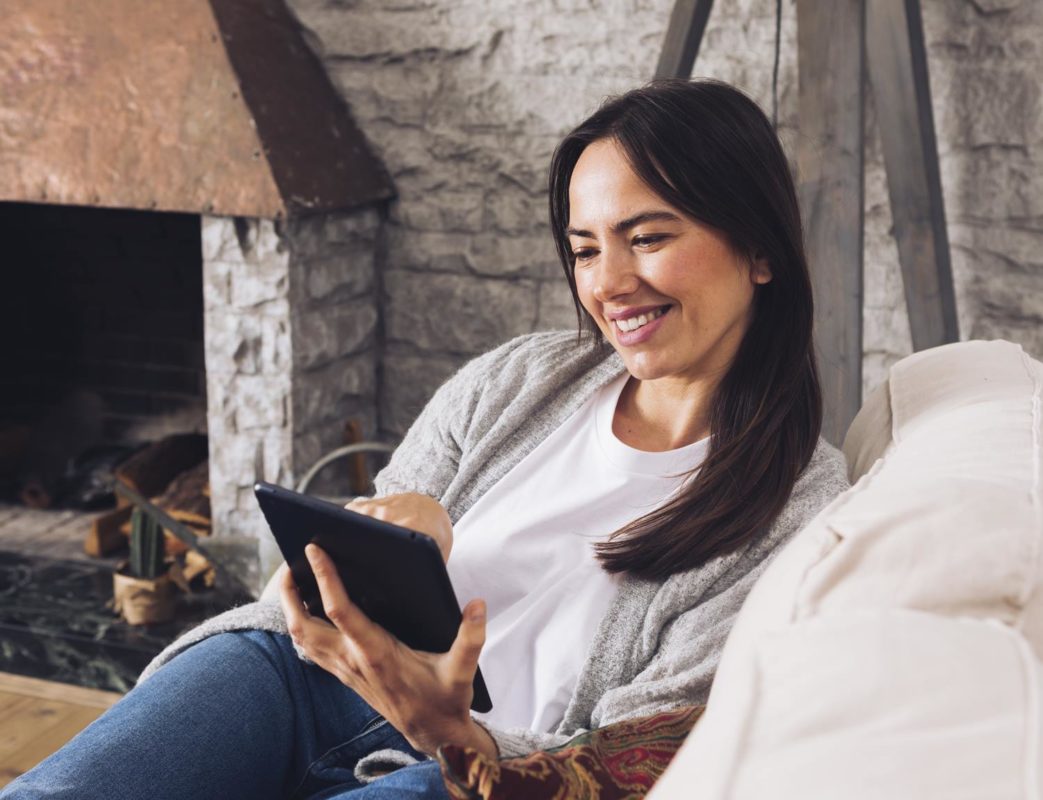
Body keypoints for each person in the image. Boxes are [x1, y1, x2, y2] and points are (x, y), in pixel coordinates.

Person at [1, 78, 849, 799]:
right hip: (302, 681)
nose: (609, 284)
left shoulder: (800, 507)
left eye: (649, 238)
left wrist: (452, 735)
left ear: (760, 248)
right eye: (585, 250)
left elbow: (638, 763)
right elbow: (326, 582)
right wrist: (385, 533)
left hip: (470, 768)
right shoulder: (520, 378)